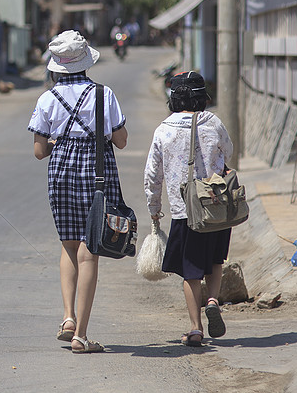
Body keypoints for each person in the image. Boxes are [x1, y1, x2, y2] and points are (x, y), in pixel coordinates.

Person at [28, 30, 129, 354]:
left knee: (68, 245)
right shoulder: (103, 94)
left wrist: (61, 141)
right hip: (97, 173)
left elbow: (39, 151)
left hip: (61, 174)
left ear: (56, 66)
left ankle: (68, 317)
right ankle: (81, 336)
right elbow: (122, 139)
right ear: (86, 62)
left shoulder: (47, 99)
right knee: (91, 250)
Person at [143, 71, 235, 347]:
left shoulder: (164, 130)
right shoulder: (213, 122)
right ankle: (212, 300)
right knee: (216, 261)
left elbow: (152, 175)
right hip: (217, 207)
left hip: (186, 213)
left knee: (191, 272)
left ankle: (195, 328)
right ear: (202, 97)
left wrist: (154, 207)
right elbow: (228, 152)